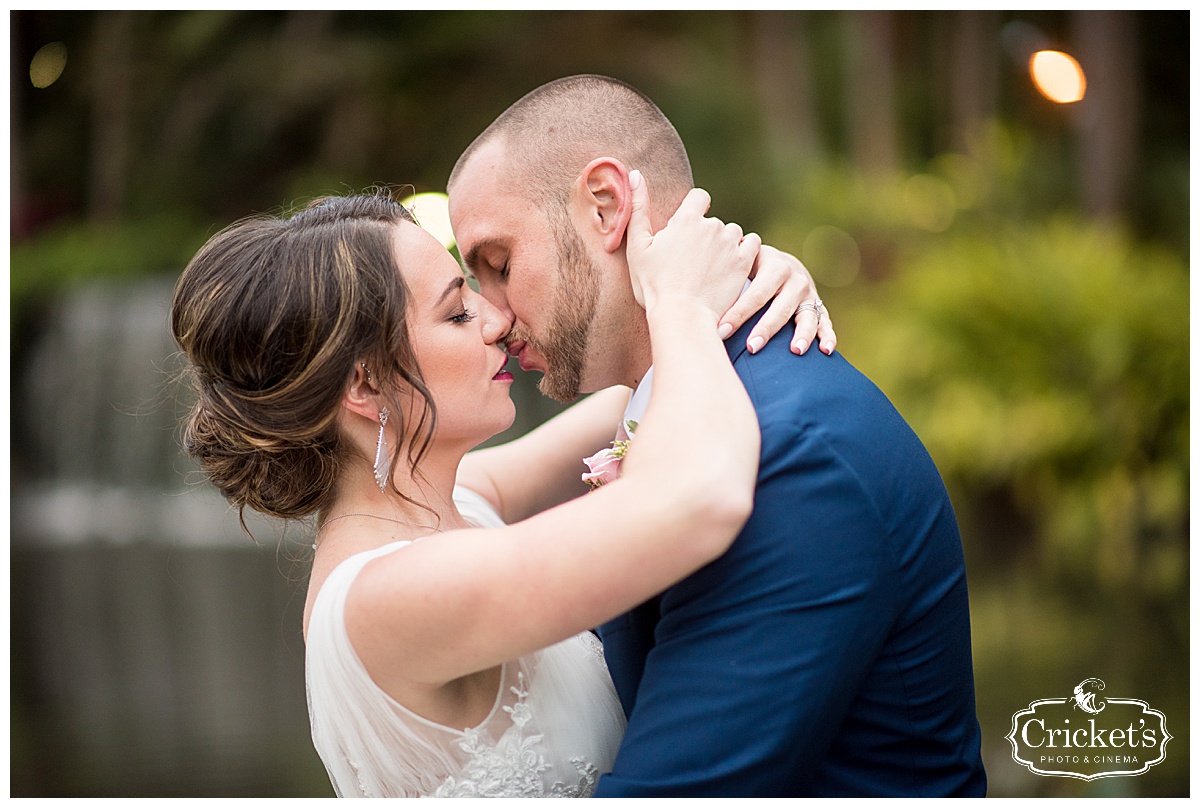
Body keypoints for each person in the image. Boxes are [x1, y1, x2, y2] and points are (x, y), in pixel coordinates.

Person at [169, 178, 815, 796]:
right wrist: (683, 306)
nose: (497, 319)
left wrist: (750, 285)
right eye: (456, 312)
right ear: (364, 386)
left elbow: (637, 387)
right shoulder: (389, 598)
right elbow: (702, 500)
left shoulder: (449, 502)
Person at [447, 74, 988, 796]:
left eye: (499, 265)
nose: (492, 316)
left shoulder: (792, 457)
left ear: (605, 206)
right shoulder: (685, 405)